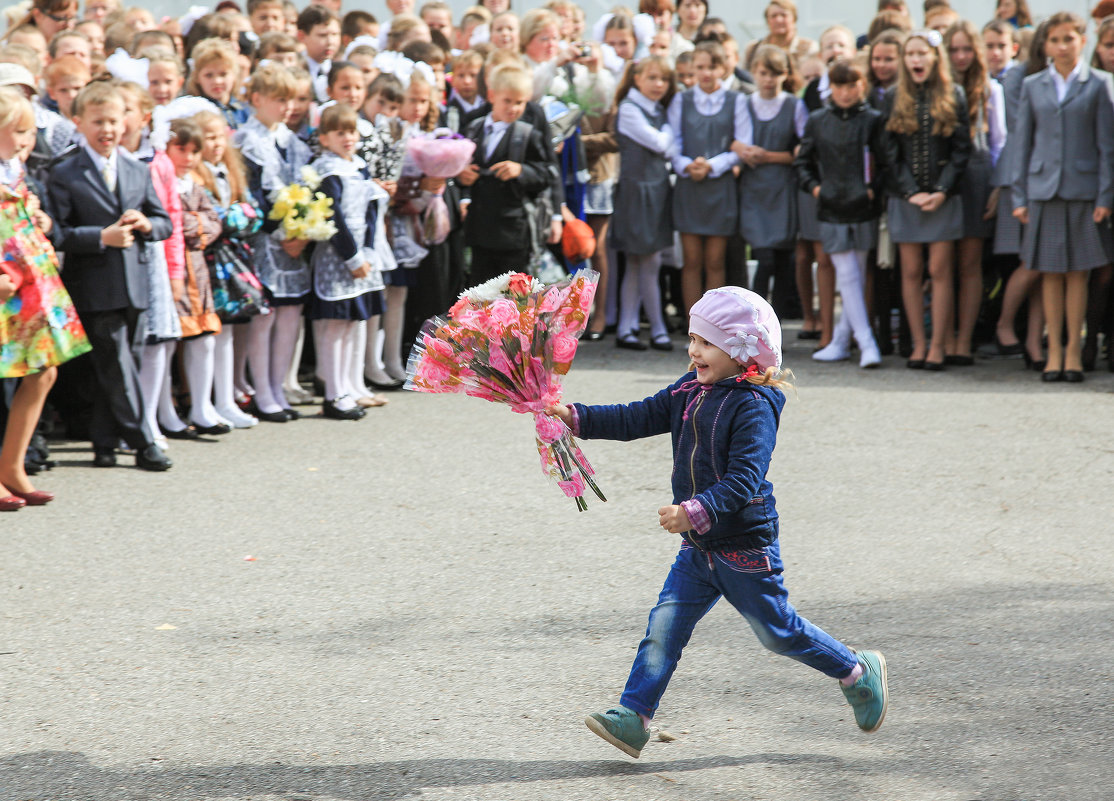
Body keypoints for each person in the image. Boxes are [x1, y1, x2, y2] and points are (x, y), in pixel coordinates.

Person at [545, 286, 888, 759]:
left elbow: (745, 478)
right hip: (698, 548)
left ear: (742, 348)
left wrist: (694, 510)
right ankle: (634, 717)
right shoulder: (689, 389)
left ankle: (856, 671)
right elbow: (636, 416)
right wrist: (575, 416)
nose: (693, 351)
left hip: (743, 546)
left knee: (777, 632)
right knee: (664, 625)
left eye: (705, 342)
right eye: (691, 338)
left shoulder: (754, 405)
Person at [48, 80, 173, 470]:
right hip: (94, 284)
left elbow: (164, 221)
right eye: (98, 121)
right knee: (116, 361)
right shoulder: (65, 172)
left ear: (126, 124)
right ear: (79, 123)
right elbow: (56, 232)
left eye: (114, 121)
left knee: (121, 365)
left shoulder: (137, 169)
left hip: (135, 283)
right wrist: (100, 237)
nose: (107, 130)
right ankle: (143, 442)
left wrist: (147, 224)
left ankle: (104, 442)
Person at [0, 87, 90, 509]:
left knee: (44, 370)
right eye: (15, 131)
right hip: (6, 286)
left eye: (28, 132)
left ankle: (12, 464)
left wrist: (39, 218)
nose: (24, 140)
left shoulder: (15, 171)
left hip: (31, 282)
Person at [1012, 11, 1114, 383]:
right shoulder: (1033, 85)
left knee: (1078, 275)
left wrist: (1106, 195)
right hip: (1043, 191)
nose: (1062, 46)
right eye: (1054, 40)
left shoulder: (1100, 84)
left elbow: (1107, 147)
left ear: (1082, 41)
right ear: (1045, 45)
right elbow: (1021, 144)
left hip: (1084, 193)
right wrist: (1019, 196)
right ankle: (1053, 349)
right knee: (1050, 274)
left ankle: (1074, 351)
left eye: (1068, 39)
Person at [883, 29, 971, 371]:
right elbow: (889, 154)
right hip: (906, 197)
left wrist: (941, 190)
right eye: (911, 54)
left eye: (923, 53)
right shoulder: (892, 95)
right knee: (910, 270)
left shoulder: (954, 93)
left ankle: (938, 345)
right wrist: (911, 192)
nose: (916, 59)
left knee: (940, 270)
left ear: (936, 58)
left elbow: (962, 149)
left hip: (943, 196)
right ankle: (918, 345)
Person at [233, 62, 313, 422]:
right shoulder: (247, 141)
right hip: (264, 239)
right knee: (265, 314)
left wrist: (304, 230)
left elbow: (308, 189)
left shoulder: (291, 141)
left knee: (291, 313)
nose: (287, 107)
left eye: (291, 99)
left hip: (295, 240)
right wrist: (282, 232)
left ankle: (278, 387)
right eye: (278, 99)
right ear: (256, 99)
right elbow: (253, 196)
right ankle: (261, 390)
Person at [796, 58, 887, 368]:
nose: (845, 93)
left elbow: (886, 161)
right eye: (839, 86)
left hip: (863, 205)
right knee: (847, 273)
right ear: (829, 88)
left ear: (861, 86)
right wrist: (818, 189)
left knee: (857, 275)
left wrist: (872, 188)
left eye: (851, 85)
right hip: (832, 206)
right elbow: (803, 163)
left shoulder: (873, 119)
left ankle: (840, 342)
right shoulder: (818, 120)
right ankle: (866, 342)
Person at [308, 103, 392, 420]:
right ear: (325, 138)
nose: (347, 138)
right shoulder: (327, 171)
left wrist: (368, 253)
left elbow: (370, 213)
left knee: (349, 327)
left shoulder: (359, 167)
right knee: (334, 328)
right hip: (337, 258)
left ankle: (345, 388)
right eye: (339, 132)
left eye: (351, 131)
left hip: (362, 259)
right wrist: (353, 256)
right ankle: (333, 393)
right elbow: (335, 218)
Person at [193, 108, 264, 429]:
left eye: (220, 136)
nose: (216, 144)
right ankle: (208, 401)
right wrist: (237, 216)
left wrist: (237, 216)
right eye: (208, 137)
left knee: (231, 331)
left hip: (235, 261)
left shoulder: (230, 171)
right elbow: (216, 220)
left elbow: (254, 213)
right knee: (213, 332)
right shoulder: (196, 175)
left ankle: (226, 397)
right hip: (210, 263)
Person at [944, 20, 1004, 365]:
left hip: (977, 178)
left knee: (969, 265)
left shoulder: (989, 89)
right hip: (944, 180)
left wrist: (997, 186)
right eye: (954, 49)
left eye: (967, 49)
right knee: (942, 266)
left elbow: (999, 142)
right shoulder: (940, 88)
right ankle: (944, 335)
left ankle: (963, 340)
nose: (961, 56)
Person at [457, 63, 551, 281]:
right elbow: (458, 167)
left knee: (513, 296)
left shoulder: (528, 135)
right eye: (507, 101)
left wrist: (522, 170)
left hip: (513, 232)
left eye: (519, 103)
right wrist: (461, 175)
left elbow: (548, 172)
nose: (513, 108)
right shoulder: (474, 128)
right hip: (479, 229)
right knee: (479, 293)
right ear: (492, 96)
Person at [669, 40, 742, 317]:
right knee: (692, 261)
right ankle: (694, 325)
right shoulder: (682, 99)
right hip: (690, 185)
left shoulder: (736, 100)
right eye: (700, 67)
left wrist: (711, 165)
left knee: (714, 261)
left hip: (720, 187)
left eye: (712, 67)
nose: (706, 73)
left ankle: (713, 324)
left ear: (722, 68)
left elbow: (741, 144)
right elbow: (673, 142)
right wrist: (688, 165)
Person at [609, 55, 676, 351]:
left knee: (645, 262)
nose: (659, 84)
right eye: (652, 78)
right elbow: (662, 144)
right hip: (637, 192)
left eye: (663, 79)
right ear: (636, 78)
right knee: (643, 260)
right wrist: (672, 133)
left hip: (657, 189)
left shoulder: (659, 109)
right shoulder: (629, 109)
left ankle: (629, 325)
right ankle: (654, 327)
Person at [735, 44, 805, 321]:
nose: (768, 79)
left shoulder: (793, 104)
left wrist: (769, 156)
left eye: (775, 73)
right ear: (754, 72)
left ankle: (779, 314)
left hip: (781, 186)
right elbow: (733, 138)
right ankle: (755, 315)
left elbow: (801, 149)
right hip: (754, 187)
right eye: (763, 72)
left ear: (785, 74)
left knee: (781, 253)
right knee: (763, 255)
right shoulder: (745, 102)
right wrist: (743, 150)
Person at [166, 117, 227, 432]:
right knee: (166, 344)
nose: (188, 157)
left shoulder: (197, 186)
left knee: (203, 340)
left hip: (198, 271)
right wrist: (194, 222)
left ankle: (203, 406)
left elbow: (214, 221)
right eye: (181, 149)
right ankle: (167, 410)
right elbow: (169, 223)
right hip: (172, 271)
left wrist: (196, 224)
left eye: (194, 151)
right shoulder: (162, 183)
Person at [297, 5, 341, 102]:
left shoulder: (340, 71)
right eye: (322, 35)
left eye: (335, 34)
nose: (330, 42)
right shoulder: (294, 67)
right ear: (302, 36)